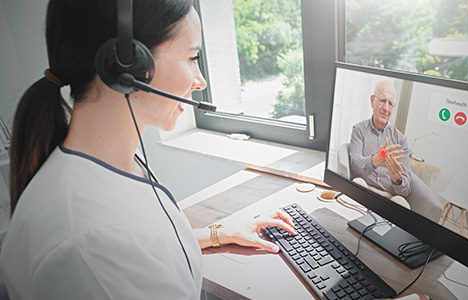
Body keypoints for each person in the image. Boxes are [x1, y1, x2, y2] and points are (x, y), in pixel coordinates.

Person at [0, 1, 296, 299]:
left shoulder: (106, 163)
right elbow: (120, 246)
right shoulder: (91, 246)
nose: (200, 81)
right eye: (192, 57)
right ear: (126, 66)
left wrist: (218, 233)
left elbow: (144, 243)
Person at [349, 80, 412, 199]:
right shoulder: (359, 129)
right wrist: (374, 161)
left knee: (401, 203)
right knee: (357, 183)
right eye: (383, 101)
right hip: (364, 189)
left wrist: (397, 180)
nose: (386, 108)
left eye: (390, 104)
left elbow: (406, 188)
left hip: (388, 197)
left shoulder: (401, 140)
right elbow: (354, 165)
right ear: (372, 101)